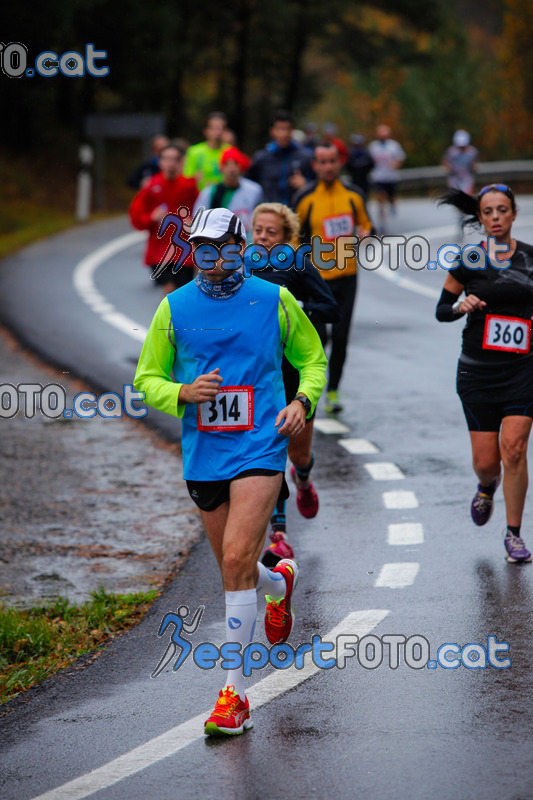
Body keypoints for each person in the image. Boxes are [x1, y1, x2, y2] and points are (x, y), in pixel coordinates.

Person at [134, 207, 327, 735]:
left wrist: (302, 402)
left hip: (261, 446)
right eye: (202, 249)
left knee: (239, 556)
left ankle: (232, 694)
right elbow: (145, 379)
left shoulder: (273, 299)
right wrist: (181, 393)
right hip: (204, 454)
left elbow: (312, 360)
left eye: (221, 248)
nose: (211, 259)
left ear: (240, 248)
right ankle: (277, 585)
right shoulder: (174, 307)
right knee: (235, 569)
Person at [436, 184, 533, 564]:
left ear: (513, 214)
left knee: (515, 448)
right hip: (477, 373)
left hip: (522, 370)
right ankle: (485, 484)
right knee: (487, 462)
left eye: (502, 210)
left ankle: (513, 534)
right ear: (480, 217)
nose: (495, 217)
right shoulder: (468, 261)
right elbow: (441, 310)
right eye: (488, 211)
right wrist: (463, 305)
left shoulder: (529, 258)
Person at [251, 202, 340, 564]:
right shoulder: (241, 267)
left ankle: (303, 479)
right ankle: (279, 533)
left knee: (297, 453)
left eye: (271, 232)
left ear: (286, 237)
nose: (262, 237)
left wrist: (298, 308)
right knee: (269, 452)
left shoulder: (298, 263)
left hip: (297, 371)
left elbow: (331, 308)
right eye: (258, 230)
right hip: (261, 374)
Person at [294, 142, 372, 413]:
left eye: (332, 161)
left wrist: (365, 232)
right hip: (316, 281)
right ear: (314, 165)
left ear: (339, 163)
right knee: (319, 338)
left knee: (340, 336)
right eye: (322, 162)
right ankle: (312, 387)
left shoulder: (354, 194)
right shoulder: (304, 198)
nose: (327, 167)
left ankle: (334, 390)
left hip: (347, 277)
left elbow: (366, 222)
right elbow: (293, 238)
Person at [129, 143, 199, 295]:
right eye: (167, 159)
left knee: (182, 294)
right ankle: (165, 318)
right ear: (159, 162)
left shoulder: (189, 186)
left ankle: (176, 319)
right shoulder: (151, 186)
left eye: (174, 159)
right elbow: (136, 217)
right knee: (169, 290)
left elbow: (203, 210)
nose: (171, 163)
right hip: (159, 252)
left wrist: (195, 222)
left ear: (181, 162)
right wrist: (151, 218)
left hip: (185, 252)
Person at [193, 147, 263, 241]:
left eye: (235, 163)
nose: (231, 168)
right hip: (219, 241)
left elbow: (260, 217)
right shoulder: (210, 191)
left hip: (248, 241)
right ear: (221, 167)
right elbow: (198, 219)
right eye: (227, 164)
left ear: (241, 167)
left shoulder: (255, 190)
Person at [247, 110, 314, 206]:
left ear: (292, 130)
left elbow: (319, 184)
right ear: (272, 131)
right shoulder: (262, 157)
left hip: (296, 213)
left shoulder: (306, 156)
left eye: (287, 129)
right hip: (270, 214)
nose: (284, 134)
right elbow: (248, 184)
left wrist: (306, 184)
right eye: (280, 129)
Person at [368, 124, 406, 233]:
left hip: (391, 177)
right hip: (379, 176)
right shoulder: (373, 146)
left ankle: (393, 204)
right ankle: (382, 223)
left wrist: (396, 165)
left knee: (391, 197)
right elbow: (369, 160)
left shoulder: (394, 145)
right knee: (380, 200)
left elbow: (400, 157)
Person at [182, 112, 230, 190]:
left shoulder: (230, 151)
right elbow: (187, 179)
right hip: (200, 198)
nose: (218, 132)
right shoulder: (194, 152)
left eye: (221, 128)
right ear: (206, 130)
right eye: (213, 128)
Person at [442, 130, 478, 195]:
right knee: (455, 196)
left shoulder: (472, 152)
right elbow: (445, 162)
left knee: (466, 196)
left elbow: (474, 165)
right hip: (454, 177)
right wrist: (449, 168)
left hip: (466, 177)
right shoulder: (451, 152)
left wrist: (474, 168)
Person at [346, 134, 374, 198]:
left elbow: (371, 164)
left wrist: (364, 169)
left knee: (365, 196)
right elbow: (348, 165)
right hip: (354, 178)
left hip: (364, 178)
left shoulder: (366, 152)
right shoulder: (351, 152)